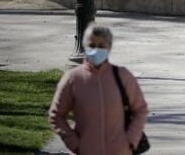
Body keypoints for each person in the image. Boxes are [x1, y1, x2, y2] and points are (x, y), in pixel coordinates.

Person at [49, 23, 148, 155]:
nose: (96, 50)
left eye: (101, 46)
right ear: (85, 46)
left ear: (109, 48)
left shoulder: (123, 76)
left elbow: (140, 110)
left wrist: (130, 141)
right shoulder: (73, 78)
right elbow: (56, 116)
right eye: (92, 45)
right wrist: (75, 144)